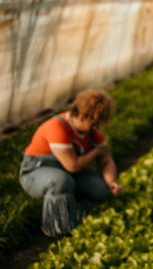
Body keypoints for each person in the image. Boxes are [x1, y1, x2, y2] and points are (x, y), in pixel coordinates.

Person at [19, 89, 123, 237]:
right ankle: (54, 228)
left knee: (102, 190)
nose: (96, 128)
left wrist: (111, 182)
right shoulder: (57, 127)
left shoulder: (92, 132)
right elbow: (72, 166)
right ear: (81, 116)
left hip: (69, 173)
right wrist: (95, 152)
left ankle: (74, 211)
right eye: (93, 123)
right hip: (36, 173)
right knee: (61, 182)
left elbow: (106, 160)